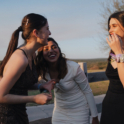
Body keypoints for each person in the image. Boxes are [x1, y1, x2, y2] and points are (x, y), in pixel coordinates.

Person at [0, 13, 55, 124]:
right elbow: (1, 96)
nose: (50, 33)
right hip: (6, 117)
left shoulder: (31, 55)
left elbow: (19, 84)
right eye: (47, 29)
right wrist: (34, 98)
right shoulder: (20, 59)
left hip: (19, 114)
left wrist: (41, 86)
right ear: (36, 33)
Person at [35, 37, 99, 124]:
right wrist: (46, 89)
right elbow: (41, 88)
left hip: (79, 112)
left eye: (54, 47)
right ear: (41, 53)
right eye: (46, 48)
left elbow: (87, 91)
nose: (51, 50)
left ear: (59, 50)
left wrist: (94, 117)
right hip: (59, 112)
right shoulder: (43, 72)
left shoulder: (73, 67)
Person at [100, 11, 124, 124]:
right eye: (109, 27)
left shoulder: (118, 52)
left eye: (114, 26)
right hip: (109, 106)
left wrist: (119, 53)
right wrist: (117, 51)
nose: (110, 31)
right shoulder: (114, 52)